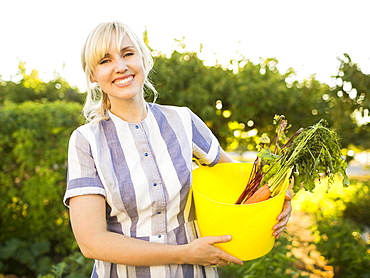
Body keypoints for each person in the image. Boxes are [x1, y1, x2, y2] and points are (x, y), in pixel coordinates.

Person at [63, 21, 292, 278]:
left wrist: (276, 205)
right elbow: (91, 242)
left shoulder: (183, 120)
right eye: (105, 61)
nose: (120, 66)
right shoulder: (86, 141)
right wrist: (183, 253)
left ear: (143, 59)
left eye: (128, 53)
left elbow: (239, 187)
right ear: (93, 75)